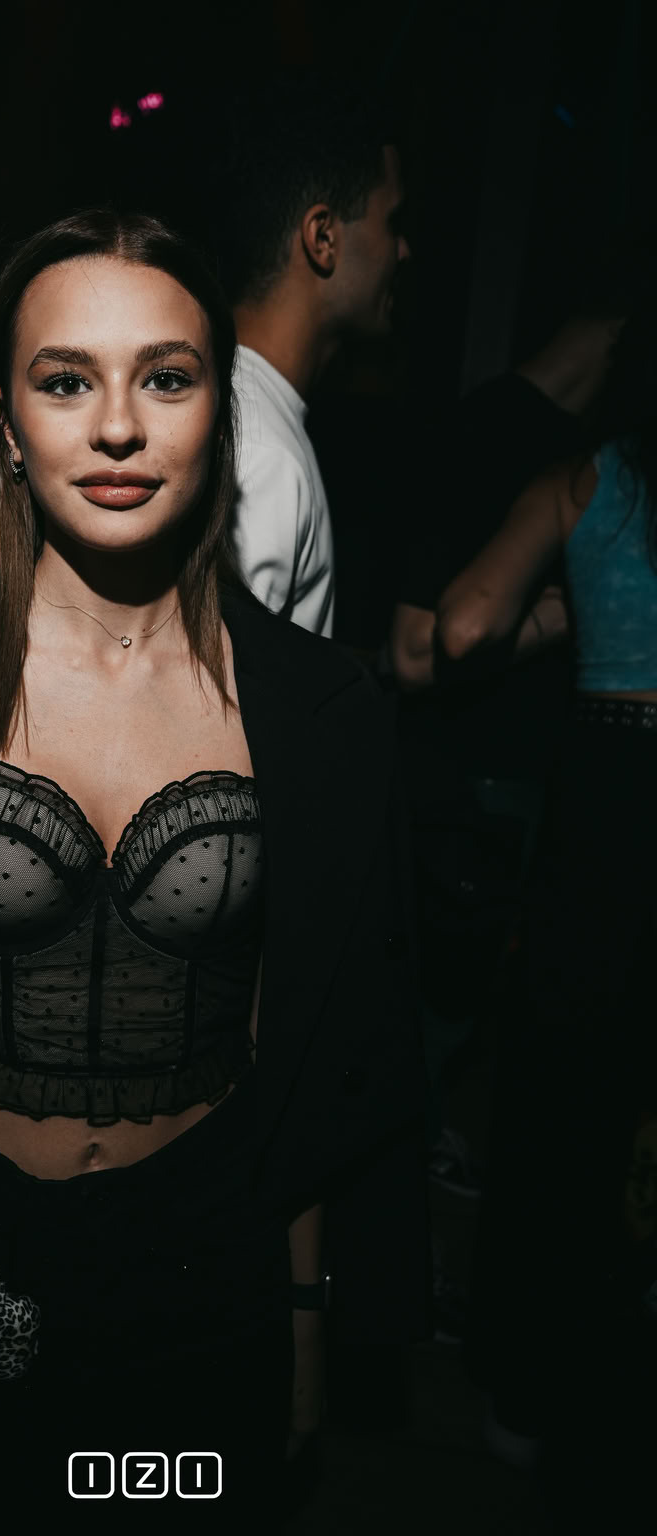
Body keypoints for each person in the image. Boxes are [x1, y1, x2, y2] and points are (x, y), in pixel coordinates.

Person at [0, 212, 427, 1529]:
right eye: (64, 380)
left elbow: (311, 1055)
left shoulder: (319, 713)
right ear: (3, 421)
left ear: (219, 410)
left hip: (205, 1267)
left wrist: (303, 1318)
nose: (115, 427)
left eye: (165, 376)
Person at [435, 315, 657, 1516]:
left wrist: (568, 618)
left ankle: (526, 1394)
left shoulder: (586, 479)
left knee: (564, 1090)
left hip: (607, 802)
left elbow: (465, 624)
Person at [217, 85, 410, 635]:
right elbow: (212, 681)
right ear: (323, 237)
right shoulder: (261, 450)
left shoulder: (251, 414)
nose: (403, 251)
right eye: (393, 222)